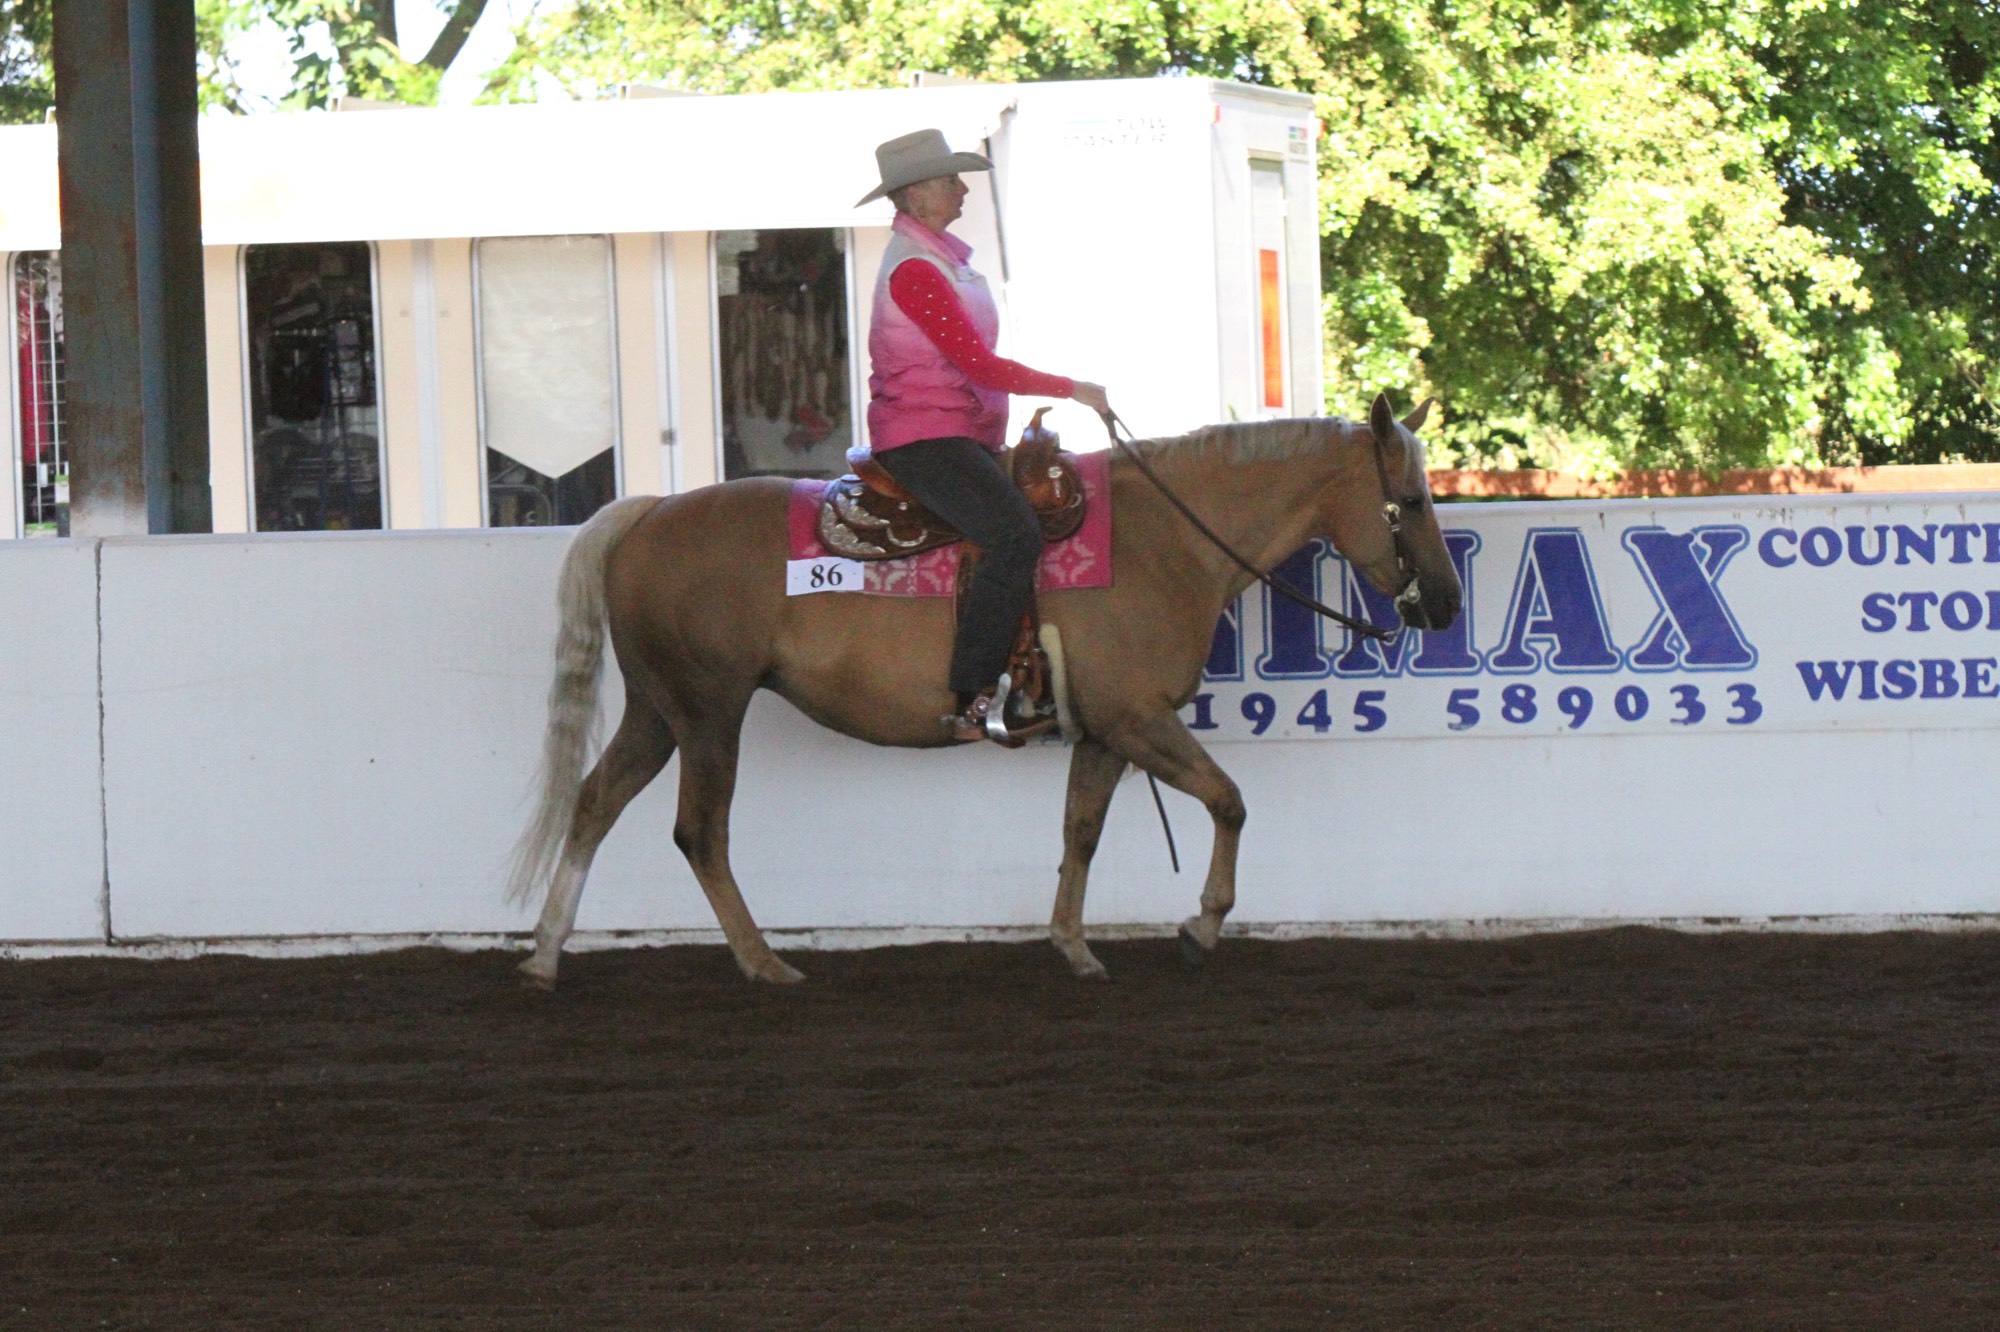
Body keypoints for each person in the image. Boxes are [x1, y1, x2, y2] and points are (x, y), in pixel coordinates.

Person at [856, 128, 1111, 743]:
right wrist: (1071, 387)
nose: (963, 188)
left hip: (954, 432)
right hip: (925, 437)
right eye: (950, 180)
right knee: (1012, 533)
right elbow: (979, 365)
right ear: (916, 195)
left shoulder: (938, 262)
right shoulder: (919, 271)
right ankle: (971, 696)